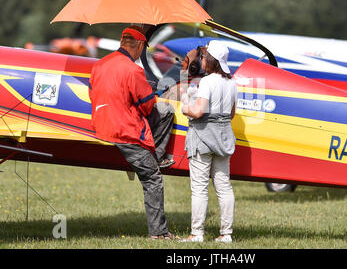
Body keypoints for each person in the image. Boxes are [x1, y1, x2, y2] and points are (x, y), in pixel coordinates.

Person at [88, 25, 177, 239]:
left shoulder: (99, 65)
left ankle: (154, 157)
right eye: (142, 49)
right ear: (138, 46)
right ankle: (159, 233)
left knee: (162, 113)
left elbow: (94, 93)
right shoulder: (133, 69)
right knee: (152, 178)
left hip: (101, 125)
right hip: (125, 131)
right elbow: (146, 106)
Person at [180, 40, 238, 243]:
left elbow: (197, 112)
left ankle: (196, 233)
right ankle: (226, 234)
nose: (202, 59)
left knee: (199, 188)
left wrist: (185, 105)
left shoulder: (206, 82)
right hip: (223, 137)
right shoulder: (232, 83)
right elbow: (231, 114)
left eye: (204, 57)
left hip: (203, 137)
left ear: (211, 60)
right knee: (224, 187)